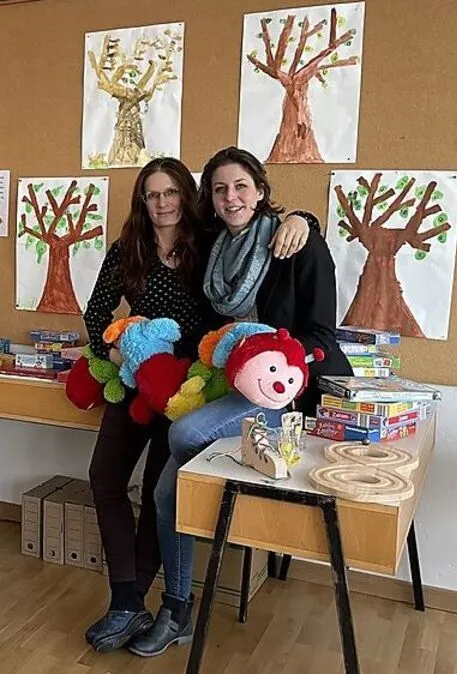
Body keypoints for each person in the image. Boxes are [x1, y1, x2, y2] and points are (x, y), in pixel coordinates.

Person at [81, 156, 316, 653]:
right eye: (152, 195)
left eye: (171, 193)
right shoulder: (128, 249)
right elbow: (96, 310)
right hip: (135, 379)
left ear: (187, 196)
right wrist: (114, 350)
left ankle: (138, 604)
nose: (163, 203)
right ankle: (125, 600)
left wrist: (306, 220)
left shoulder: (208, 243)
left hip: (188, 391)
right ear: (142, 202)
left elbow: (258, 222)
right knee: (104, 478)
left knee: (158, 494)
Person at [132, 146, 351, 657]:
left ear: (260, 190)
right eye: (220, 188)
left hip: (286, 393)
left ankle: (190, 588)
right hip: (230, 390)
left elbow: (321, 334)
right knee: (165, 495)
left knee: (184, 435)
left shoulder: (296, 244)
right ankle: (178, 609)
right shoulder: (214, 250)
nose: (231, 197)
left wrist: (305, 220)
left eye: (241, 186)